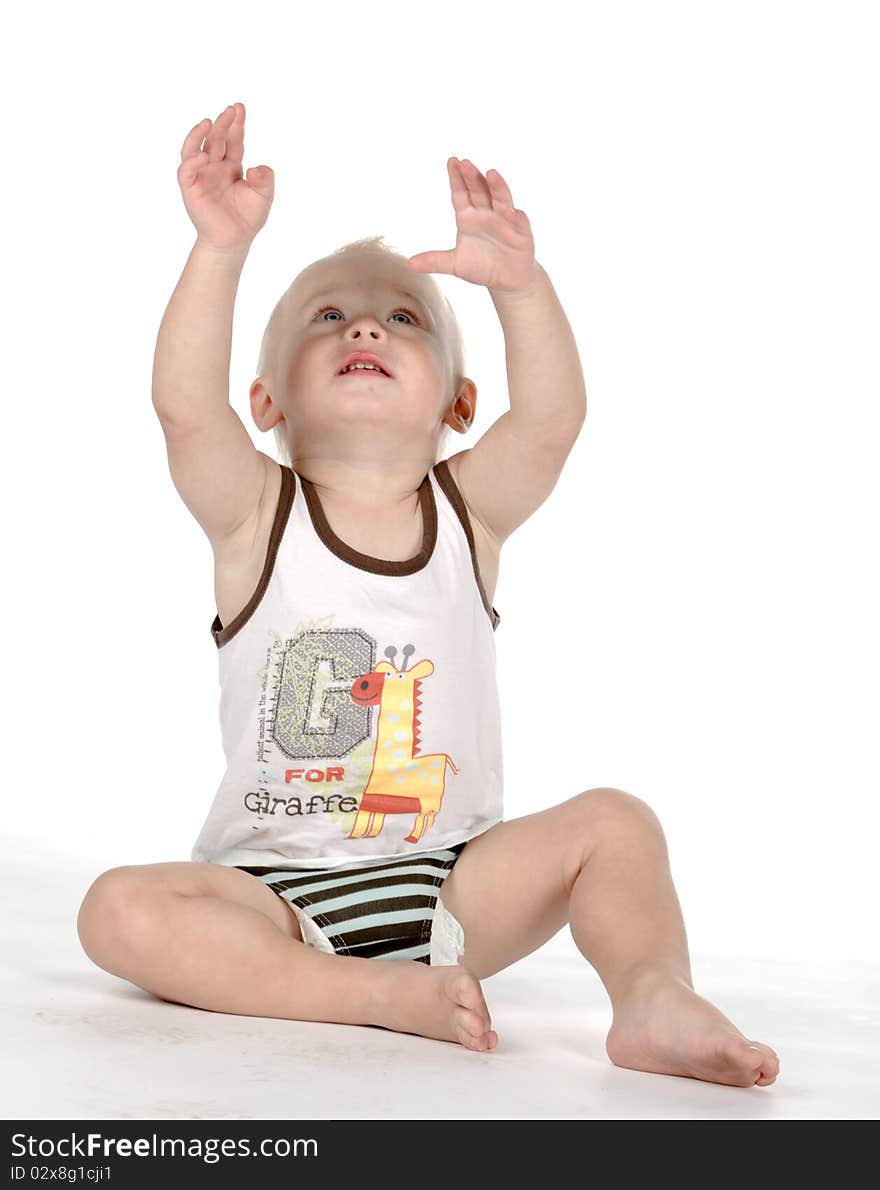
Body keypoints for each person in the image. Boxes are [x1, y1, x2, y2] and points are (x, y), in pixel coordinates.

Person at [77, 101, 779, 1088]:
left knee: (617, 822)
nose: (365, 321)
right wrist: (219, 250)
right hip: (272, 890)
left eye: (402, 318)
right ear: (269, 399)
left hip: (452, 877)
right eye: (328, 318)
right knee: (116, 909)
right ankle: (366, 995)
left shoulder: (468, 514)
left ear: (457, 401)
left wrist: (519, 291)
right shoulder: (254, 514)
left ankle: (654, 994)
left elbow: (551, 418)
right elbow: (184, 409)